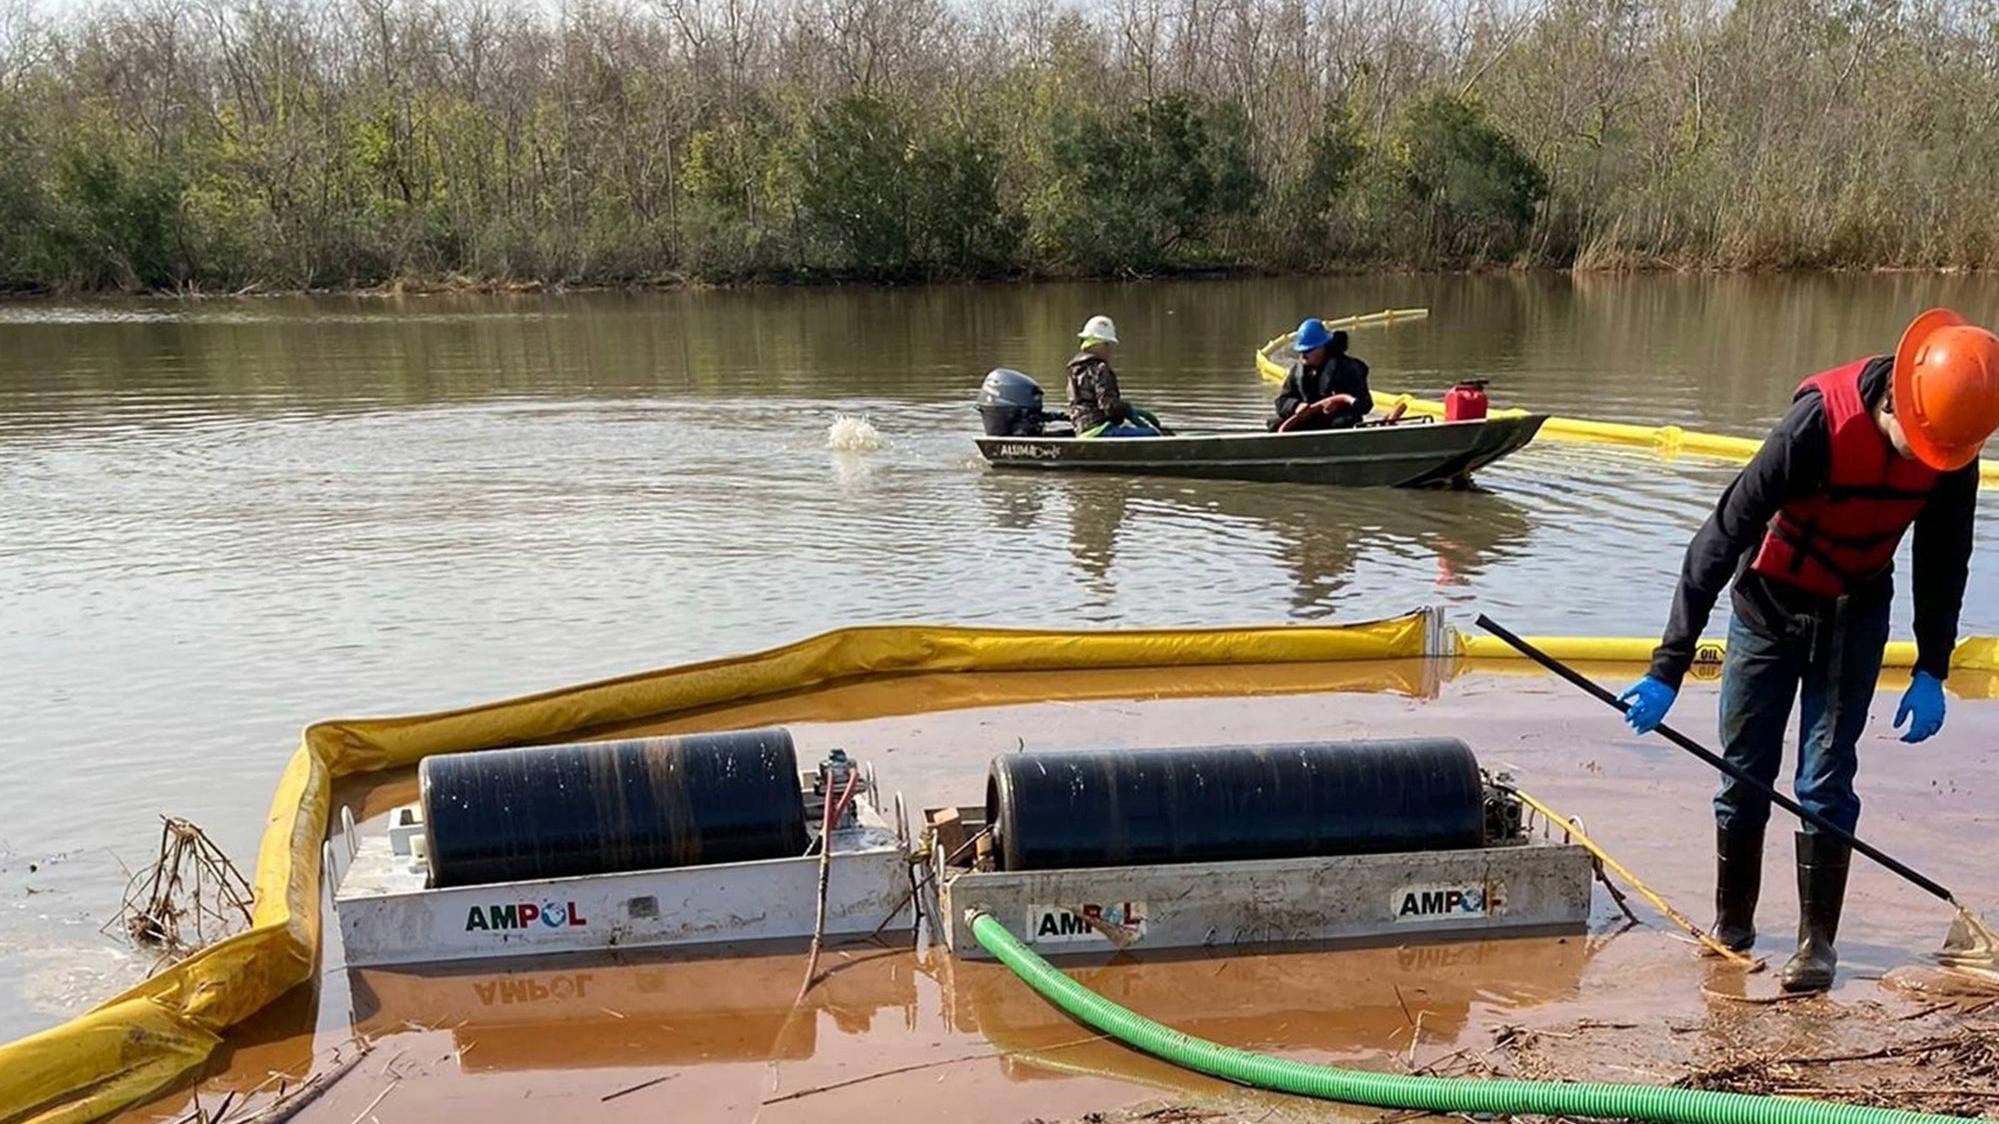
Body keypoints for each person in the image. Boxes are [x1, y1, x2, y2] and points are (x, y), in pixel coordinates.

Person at [1617, 308, 1999, 993]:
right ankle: (1731, 926)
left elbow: (1944, 561)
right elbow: (1719, 535)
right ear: (1894, 402)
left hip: (1853, 613)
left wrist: (1932, 668)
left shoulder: (1952, 447)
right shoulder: (1815, 426)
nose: (1923, 459)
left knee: (1825, 781)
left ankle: (1815, 946)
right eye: (1917, 443)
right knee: (1743, 776)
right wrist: (1666, 667)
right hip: (1766, 605)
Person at [1067, 315, 1163, 437]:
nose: (1110, 350)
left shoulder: (1074, 369)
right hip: (1101, 431)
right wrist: (1129, 411)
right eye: (1107, 344)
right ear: (1097, 345)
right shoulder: (1100, 369)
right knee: (1152, 434)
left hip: (1083, 431)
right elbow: (1109, 406)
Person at [1271, 318, 1373, 432]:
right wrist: (1295, 406)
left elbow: (1365, 404)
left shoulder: (1347, 369)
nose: (1303, 355)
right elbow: (1282, 401)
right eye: (1301, 351)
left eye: (1308, 350)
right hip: (1308, 422)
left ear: (1323, 347)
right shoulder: (1297, 372)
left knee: (1343, 422)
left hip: (1335, 425)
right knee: (1274, 424)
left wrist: (1339, 406)